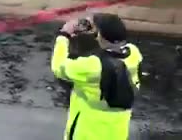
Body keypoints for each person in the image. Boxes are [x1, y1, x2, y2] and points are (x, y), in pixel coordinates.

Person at [51, 12, 143, 140]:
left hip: (88, 133)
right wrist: (97, 29)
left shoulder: (92, 66)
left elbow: (58, 67)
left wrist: (64, 35)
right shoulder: (134, 54)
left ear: (101, 36)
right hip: (117, 132)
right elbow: (111, 48)